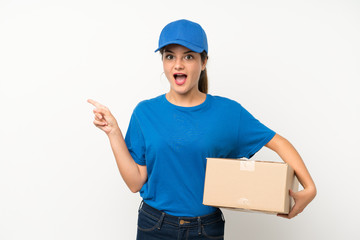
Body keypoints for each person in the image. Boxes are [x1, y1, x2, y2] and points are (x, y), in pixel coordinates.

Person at [87, 19, 316, 240]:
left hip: (205, 229)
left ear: (203, 62)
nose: (178, 64)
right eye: (170, 56)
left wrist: (309, 187)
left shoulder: (227, 112)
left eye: (188, 56)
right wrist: (113, 132)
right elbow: (135, 182)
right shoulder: (145, 112)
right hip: (154, 226)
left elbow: (279, 142)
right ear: (164, 63)